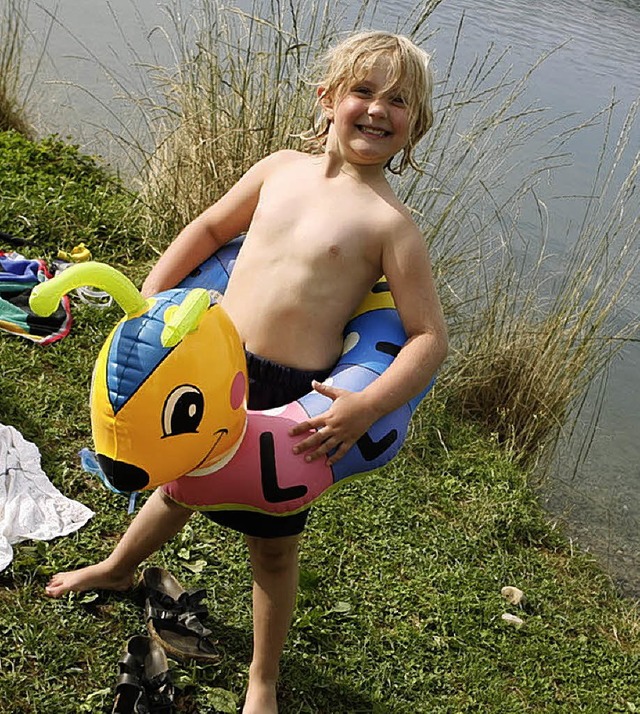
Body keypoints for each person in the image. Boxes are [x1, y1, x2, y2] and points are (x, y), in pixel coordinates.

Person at [44, 30, 448, 714]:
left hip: (294, 398)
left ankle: (262, 677)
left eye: (400, 101)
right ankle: (118, 567)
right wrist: (150, 303)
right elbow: (207, 232)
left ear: (415, 128)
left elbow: (428, 338)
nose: (379, 109)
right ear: (326, 99)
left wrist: (364, 405)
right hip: (212, 364)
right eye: (363, 90)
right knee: (178, 488)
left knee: (273, 550)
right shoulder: (276, 169)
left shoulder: (391, 225)